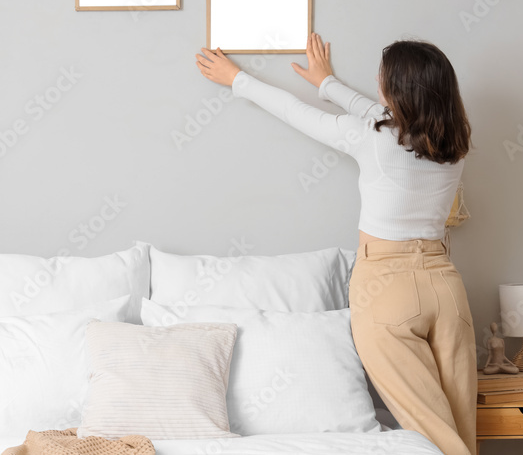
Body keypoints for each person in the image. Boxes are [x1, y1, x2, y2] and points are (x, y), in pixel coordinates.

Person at [196, 34, 477, 455]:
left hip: (387, 288)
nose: (377, 82)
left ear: (396, 90)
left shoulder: (372, 138)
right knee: (461, 430)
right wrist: (327, 84)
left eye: (382, 77)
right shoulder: (454, 142)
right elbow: (376, 113)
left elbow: (294, 112)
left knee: (435, 436)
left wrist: (237, 78)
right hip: (446, 287)